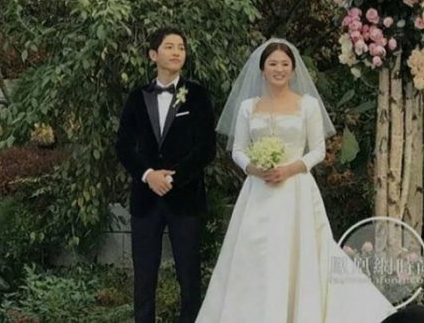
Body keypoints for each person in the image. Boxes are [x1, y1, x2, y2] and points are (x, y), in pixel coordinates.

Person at [196, 38, 394, 323]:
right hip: (258, 191)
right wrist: (254, 168)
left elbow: (318, 151)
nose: (279, 69)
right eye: (272, 64)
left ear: (293, 69)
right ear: (262, 69)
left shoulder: (308, 105)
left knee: (298, 253)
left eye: (284, 64)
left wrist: (289, 169)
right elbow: (238, 150)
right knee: (256, 254)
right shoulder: (248, 107)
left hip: (296, 190)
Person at [115, 27, 216, 323]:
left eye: (181, 47)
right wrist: (148, 174)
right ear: (153, 54)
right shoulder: (137, 97)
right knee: (144, 275)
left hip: (185, 197)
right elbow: (123, 145)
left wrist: (172, 177)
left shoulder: (197, 95)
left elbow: (206, 148)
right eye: (169, 47)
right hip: (145, 199)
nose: (176, 52)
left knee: (189, 274)